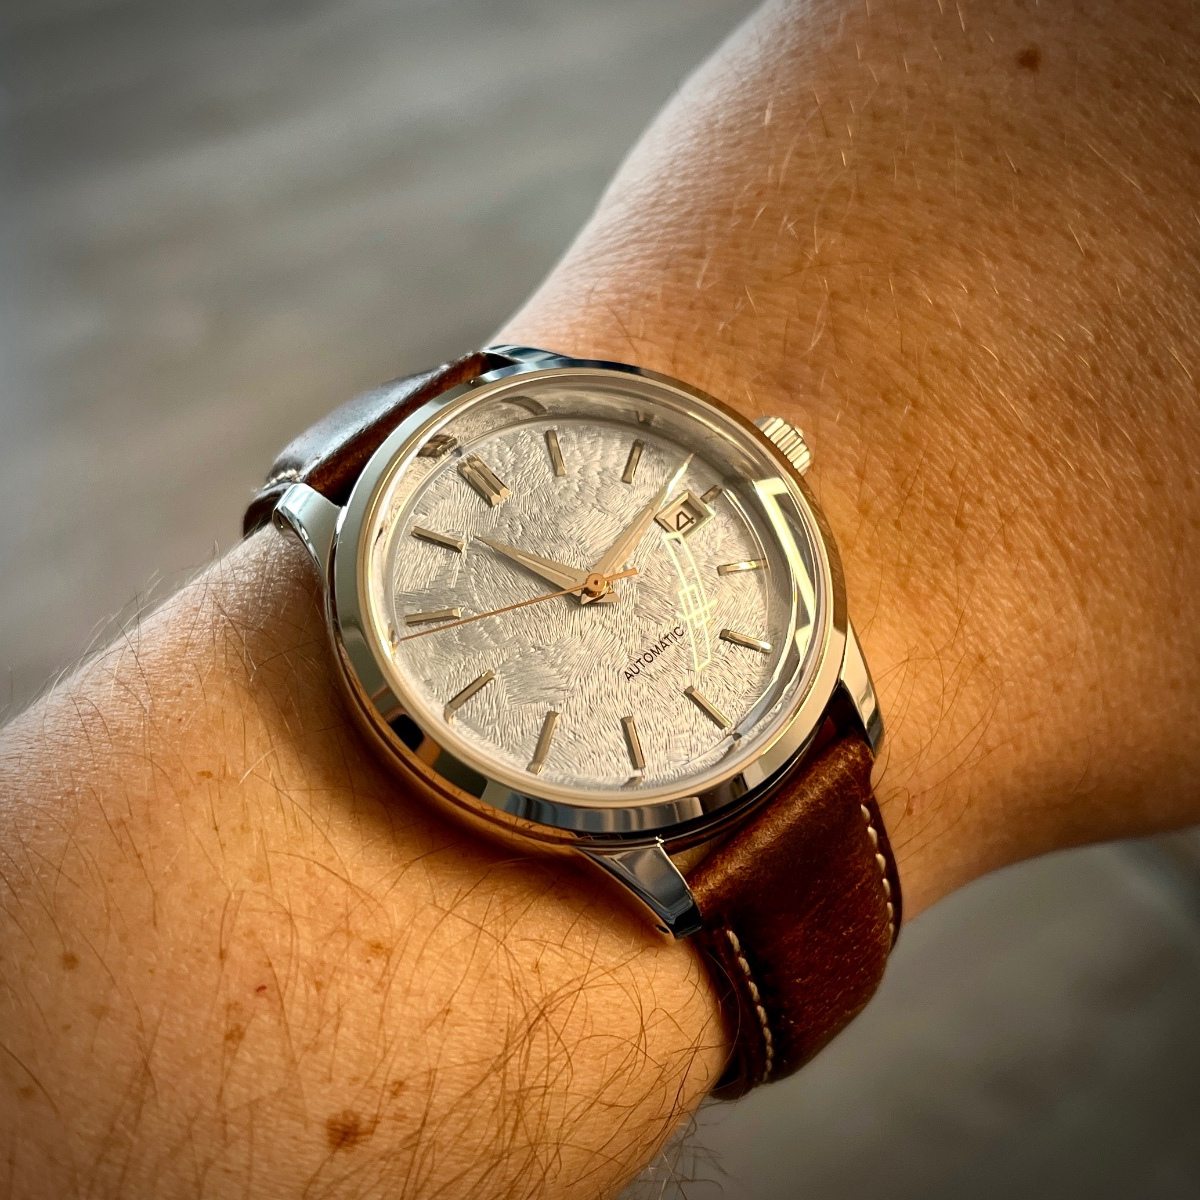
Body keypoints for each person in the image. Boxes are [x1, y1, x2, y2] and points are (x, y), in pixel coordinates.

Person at [2, 0, 1198, 1195]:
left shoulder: (818, 684)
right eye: (584, 585)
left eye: (594, 579)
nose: (595, 587)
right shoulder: (651, 845)